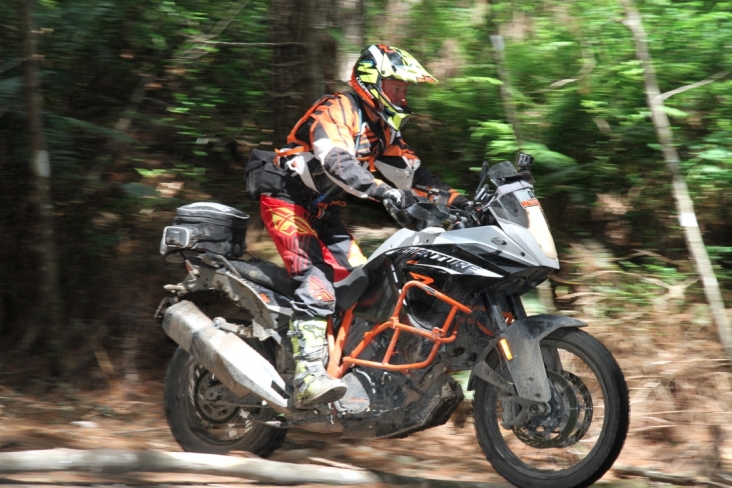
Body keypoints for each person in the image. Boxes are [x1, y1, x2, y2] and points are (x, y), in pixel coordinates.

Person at [259, 44, 468, 407]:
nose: (403, 96)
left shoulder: (382, 130)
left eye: (405, 90)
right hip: (285, 199)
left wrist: (464, 203)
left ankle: (343, 367)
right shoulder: (338, 107)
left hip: (323, 212)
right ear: (372, 82)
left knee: (362, 286)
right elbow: (335, 160)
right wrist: (383, 192)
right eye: (396, 87)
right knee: (317, 284)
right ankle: (306, 377)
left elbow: (417, 177)